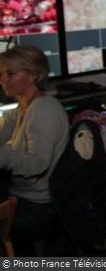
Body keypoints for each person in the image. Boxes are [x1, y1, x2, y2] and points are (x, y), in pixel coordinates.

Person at [0, 45, 69, 254]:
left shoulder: (42, 110)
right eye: (1, 74)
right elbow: (5, 130)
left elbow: (37, 164)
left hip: (39, 204)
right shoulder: (24, 106)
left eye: (10, 74)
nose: (3, 79)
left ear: (33, 75)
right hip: (25, 195)